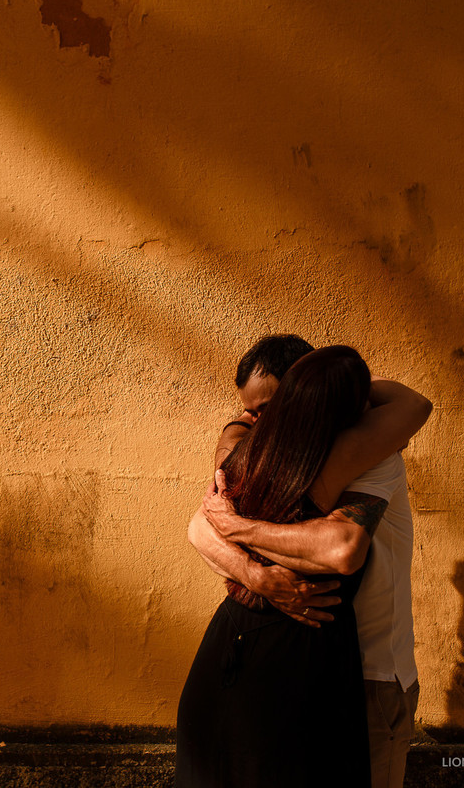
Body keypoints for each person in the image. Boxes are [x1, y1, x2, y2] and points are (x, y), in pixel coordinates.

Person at [188, 334, 428, 788]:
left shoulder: (371, 453)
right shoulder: (264, 457)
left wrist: (239, 530)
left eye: (267, 409)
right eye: (249, 412)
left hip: (368, 673)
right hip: (295, 670)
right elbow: (199, 527)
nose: (257, 422)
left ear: (303, 398)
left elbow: (341, 548)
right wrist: (259, 577)